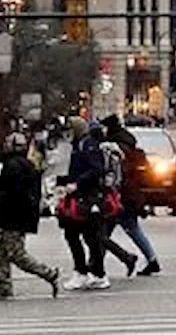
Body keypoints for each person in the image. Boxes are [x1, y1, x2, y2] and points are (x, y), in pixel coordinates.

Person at [0, 132, 60, 302]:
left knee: (17, 255)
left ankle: (48, 274)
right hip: (15, 217)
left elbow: (7, 194)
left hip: (12, 218)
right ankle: (4, 288)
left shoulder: (14, 166)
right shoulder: (26, 165)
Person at [102, 114, 161, 276]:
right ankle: (151, 259)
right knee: (131, 229)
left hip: (121, 196)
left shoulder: (116, 148)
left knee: (103, 232)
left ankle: (98, 265)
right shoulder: (130, 147)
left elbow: (117, 176)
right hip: (131, 195)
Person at [59, 117, 110, 290]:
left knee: (79, 235)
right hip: (82, 196)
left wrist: (77, 184)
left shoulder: (87, 145)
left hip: (86, 198)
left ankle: (86, 272)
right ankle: (94, 272)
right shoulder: (81, 145)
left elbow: (96, 170)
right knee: (87, 237)